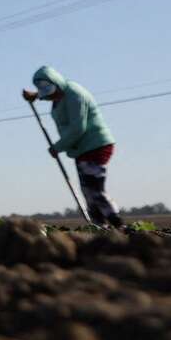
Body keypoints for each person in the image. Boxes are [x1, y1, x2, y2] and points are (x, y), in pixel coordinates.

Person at [22, 65, 124, 228]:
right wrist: (35, 96)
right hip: (81, 149)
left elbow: (78, 128)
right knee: (87, 193)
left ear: (56, 83)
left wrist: (58, 147)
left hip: (95, 146)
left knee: (94, 190)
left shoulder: (74, 94)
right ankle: (100, 227)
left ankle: (119, 226)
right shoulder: (59, 95)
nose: (51, 95)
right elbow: (48, 95)